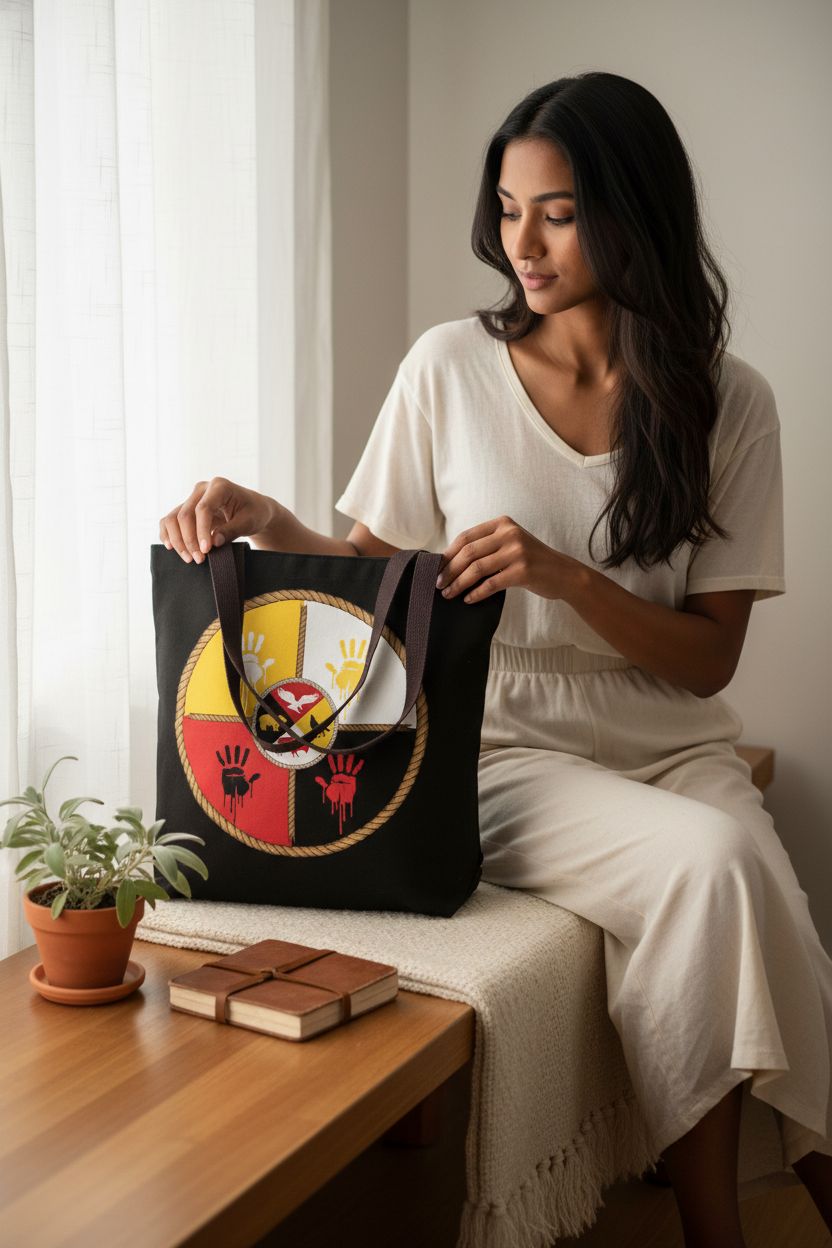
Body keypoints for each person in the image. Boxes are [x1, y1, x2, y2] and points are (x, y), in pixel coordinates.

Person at [160, 71, 831, 1248]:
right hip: (498, 742)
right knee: (726, 867)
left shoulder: (731, 402)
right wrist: (271, 517)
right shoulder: (447, 369)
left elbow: (708, 665)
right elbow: (370, 590)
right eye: (510, 207)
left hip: (672, 744)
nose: (520, 242)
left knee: (744, 885)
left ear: (634, 212)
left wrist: (568, 578)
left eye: (559, 211)